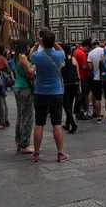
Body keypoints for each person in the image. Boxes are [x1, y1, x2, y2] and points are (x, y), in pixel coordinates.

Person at [30, 31, 67, 163]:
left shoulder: (38, 56)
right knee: (57, 124)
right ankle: (60, 154)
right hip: (56, 93)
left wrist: (38, 43)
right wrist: (53, 42)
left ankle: (36, 153)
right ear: (53, 42)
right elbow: (61, 50)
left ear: (42, 43)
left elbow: (30, 56)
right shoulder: (59, 55)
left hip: (40, 93)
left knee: (39, 124)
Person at [13, 38, 35, 153]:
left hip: (18, 87)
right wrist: (33, 66)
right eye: (28, 46)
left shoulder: (16, 56)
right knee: (27, 117)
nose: (29, 48)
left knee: (21, 116)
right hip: (24, 88)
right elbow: (30, 73)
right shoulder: (22, 57)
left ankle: (19, 143)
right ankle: (25, 145)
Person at [87, 42, 106, 124]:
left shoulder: (91, 53)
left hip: (96, 78)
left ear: (92, 45)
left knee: (98, 98)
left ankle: (98, 117)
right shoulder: (105, 50)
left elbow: (89, 67)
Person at [61, 43, 80, 133]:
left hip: (66, 85)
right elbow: (78, 74)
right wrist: (79, 87)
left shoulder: (62, 60)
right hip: (75, 84)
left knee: (66, 105)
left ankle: (73, 124)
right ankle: (67, 124)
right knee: (70, 104)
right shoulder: (73, 59)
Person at [73, 39, 92, 121]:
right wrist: (91, 66)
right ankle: (81, 113)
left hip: (77, 77)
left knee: (79, 96)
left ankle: (78, 113)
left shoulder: (76, 51)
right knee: (84, 95)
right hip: (83, 77)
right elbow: (84, 67)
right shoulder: (82, 54)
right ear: (87, 46)